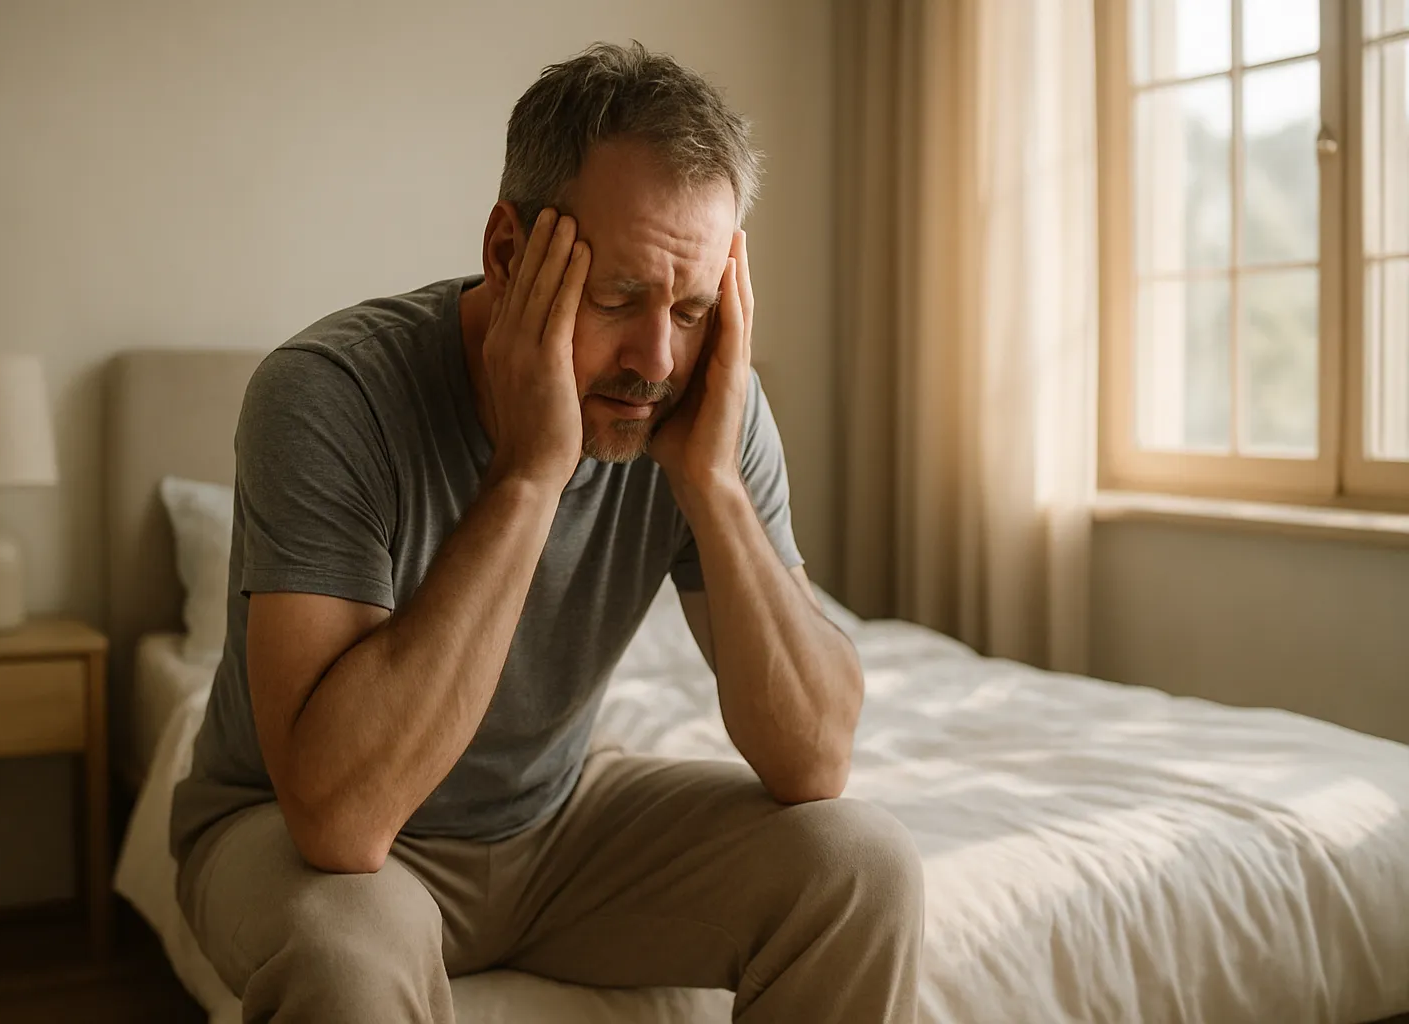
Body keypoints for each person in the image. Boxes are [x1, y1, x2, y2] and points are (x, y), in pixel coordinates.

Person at [170, 40, 923, 1023]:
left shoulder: (701, 399)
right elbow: (340, 819)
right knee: (346, 961)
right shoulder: (327, 396)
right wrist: (529, 475)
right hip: (295, 828)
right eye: (616, 298)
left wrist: (714, 486)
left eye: (693, 309)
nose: (656, 359)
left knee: (863, 868)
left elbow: (814, 760)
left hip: (557, 827)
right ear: (508, 253)